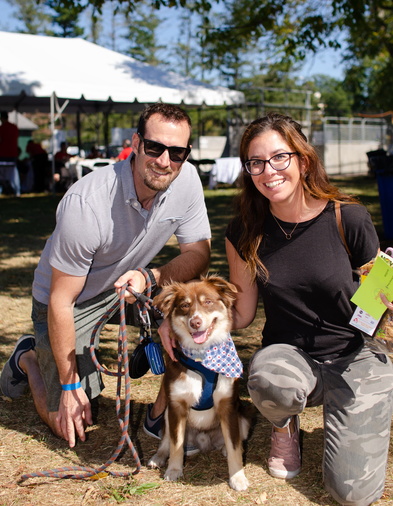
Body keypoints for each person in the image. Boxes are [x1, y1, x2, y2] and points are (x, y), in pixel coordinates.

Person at [0, 103, 211, 451]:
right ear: (136, 143)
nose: (164, 161)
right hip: (72, 301)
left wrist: (151, 276)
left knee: (201, 319)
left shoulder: (186, 180)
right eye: (155, 148)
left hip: (129, 288)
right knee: (71, 424)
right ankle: (29, 357)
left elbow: (199, 254)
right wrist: (69, 388)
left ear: (186, 155)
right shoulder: (87, 203)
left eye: (177, 152)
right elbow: (60, 300)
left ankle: (159, 416)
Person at [224, 113, 393, 506]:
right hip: (292, 357)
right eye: (256, 162)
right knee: (268, 379)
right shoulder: (245, 231)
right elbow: (243, 314)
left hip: (356, 355)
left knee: (352, 495)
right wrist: (188, 328)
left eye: (280, 157)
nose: (268, 171)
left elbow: (378, 299)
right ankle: (285, 425)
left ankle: (357, 407)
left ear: (302, 159)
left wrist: (388, 297)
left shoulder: (346, 216)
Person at [0, 111, 20, 196]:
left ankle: (3, 190)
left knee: (2, 174)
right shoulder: (14, 127)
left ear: (2, 118)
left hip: (3, 154)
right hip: (12, 154)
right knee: (13, 174)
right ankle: (17, 191)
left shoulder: (1, 128)